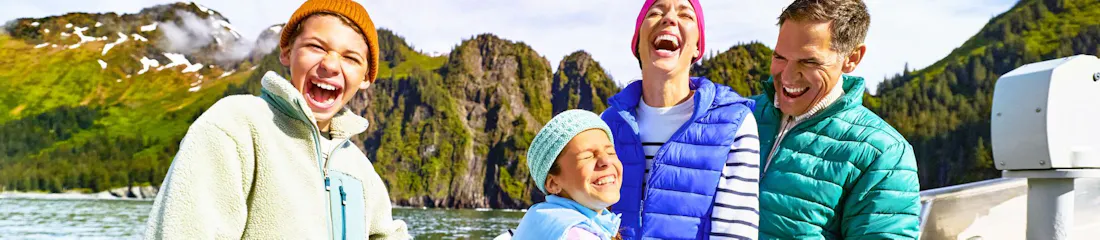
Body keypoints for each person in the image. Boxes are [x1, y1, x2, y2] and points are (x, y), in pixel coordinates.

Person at [143, 0, 410, 239]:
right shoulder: (235, 124)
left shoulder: (361, 169)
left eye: (351, 58)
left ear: (365, 78)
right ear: (286, 52)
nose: (330, 65)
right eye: (316, 46)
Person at [752, 0, 921, 239]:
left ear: (852, 58)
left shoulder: (884, 153)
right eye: (780, 57)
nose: (787, 76)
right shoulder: (738, 116)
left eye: (809, 61)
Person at [601, 0, 761, 239]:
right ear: (637, 42)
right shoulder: (608, 123)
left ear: (697, 46)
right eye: (655, 12)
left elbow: (735, 233)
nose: (670, 18)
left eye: (686, 15)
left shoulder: (734, 123)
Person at [513, 109, 623, 240]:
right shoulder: (575, 235)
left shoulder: (540, 219)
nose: (606, 161)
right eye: (587, 156)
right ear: (553, 183)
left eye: (611, 152)